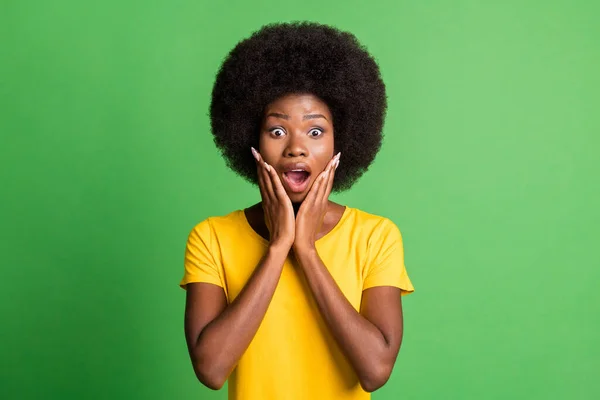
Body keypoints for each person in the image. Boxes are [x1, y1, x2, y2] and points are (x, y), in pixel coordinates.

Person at [180, 22, 415, 400]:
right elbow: (210, 369)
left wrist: (306, 250)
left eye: (315, 131)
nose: (296, 148)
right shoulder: (212, 238)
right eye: (277, 131)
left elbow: (375, 371)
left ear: (343, 143)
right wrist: (278, 248)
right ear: (248, 139)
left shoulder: (376, 236)